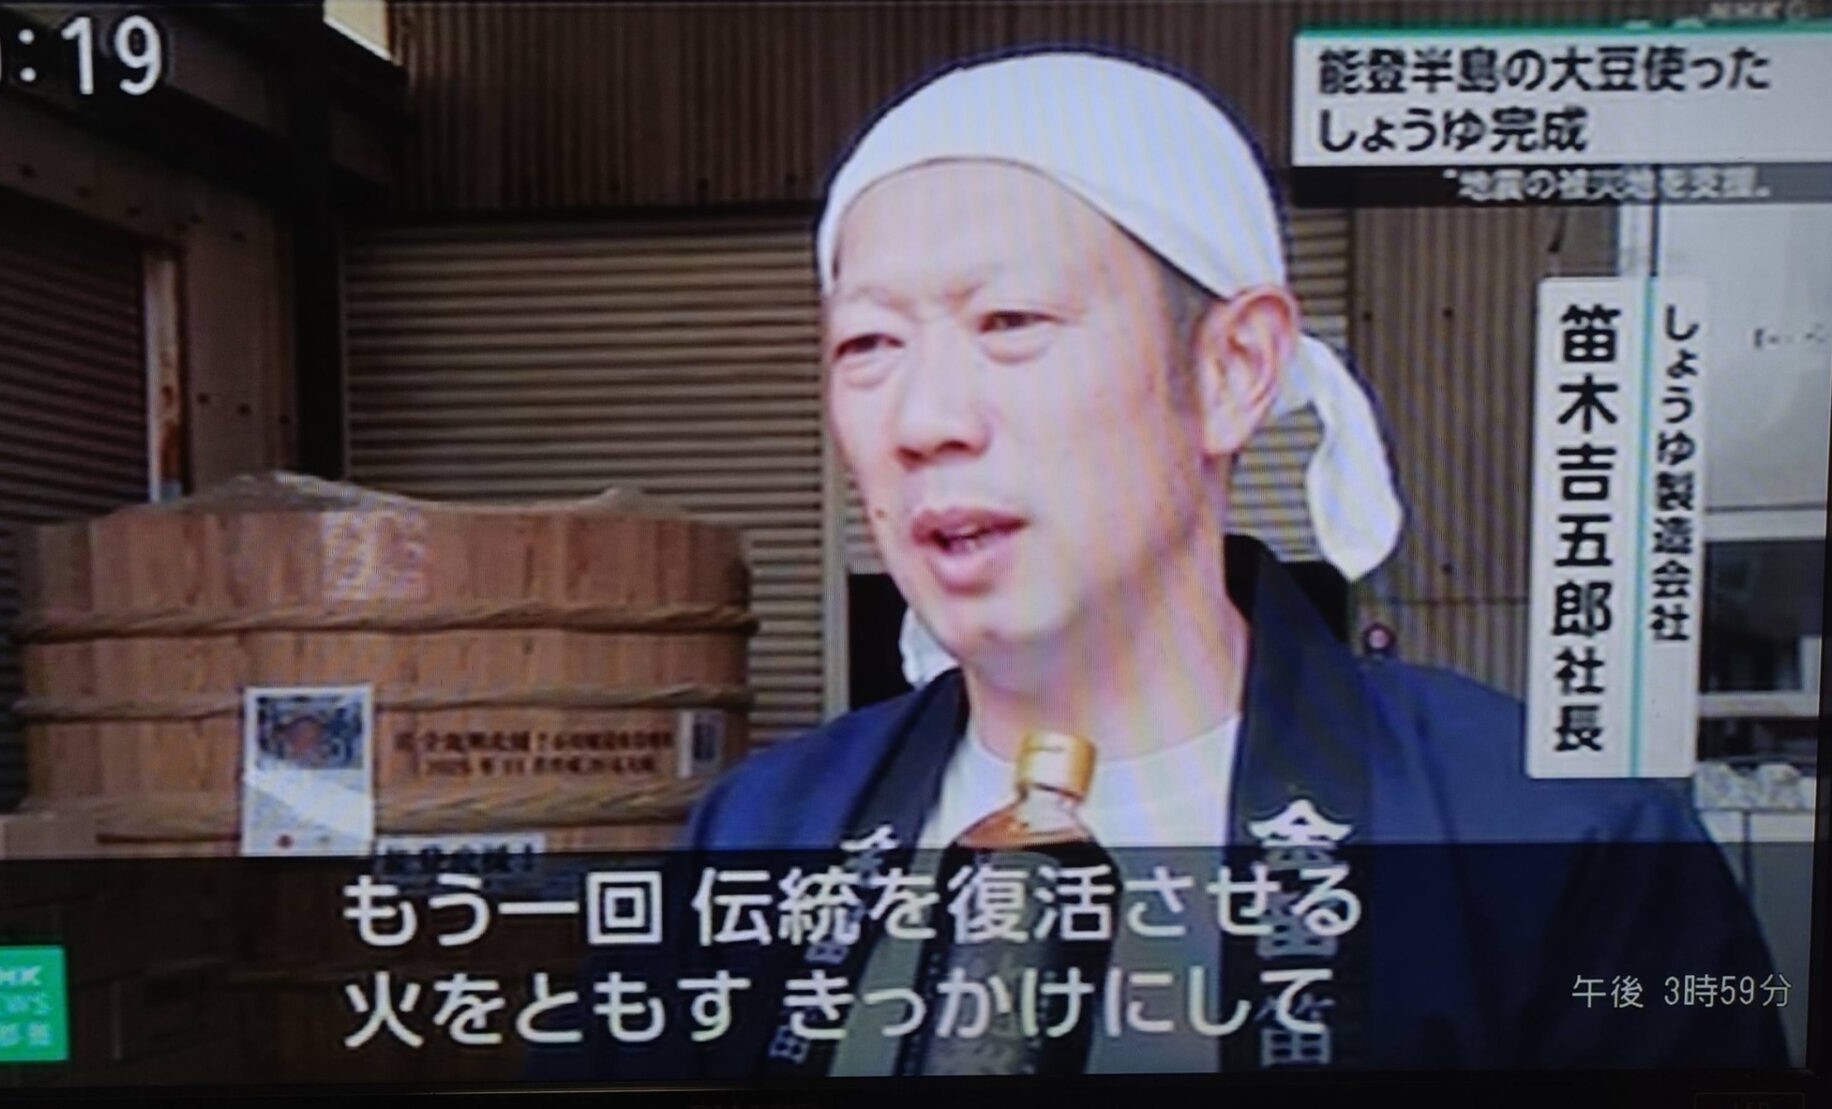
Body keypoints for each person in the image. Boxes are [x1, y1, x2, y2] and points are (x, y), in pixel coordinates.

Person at [590, 51, 1790, 1077]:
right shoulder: (760, 829)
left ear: (1232, 368)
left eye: (1011, 322)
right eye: (867, 343)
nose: (923, 418)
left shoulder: (1562, 842)